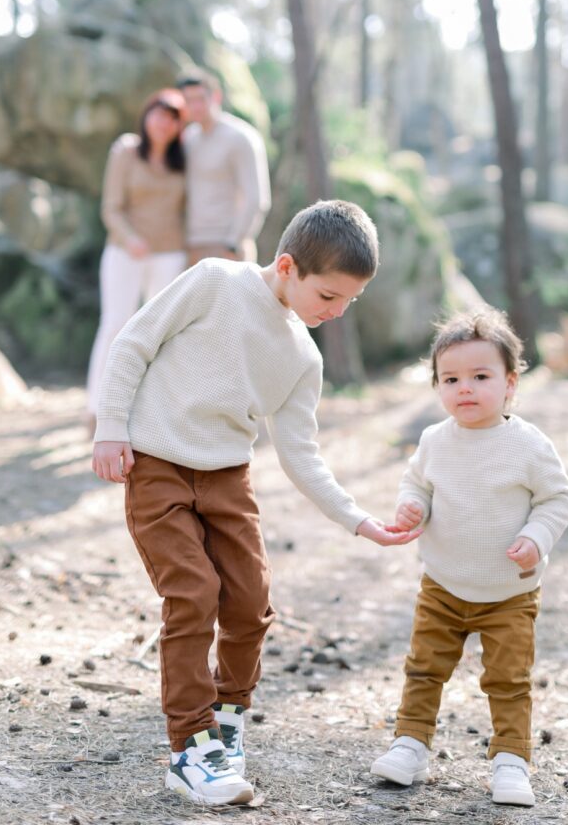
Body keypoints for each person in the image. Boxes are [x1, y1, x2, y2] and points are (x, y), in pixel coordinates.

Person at [91, 199, 419, 807]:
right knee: (192, 593)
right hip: (157, 465)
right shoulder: (215, 282)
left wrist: (357, 519)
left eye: (351, 301)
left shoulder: (303, 356)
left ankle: (226, 720)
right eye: (328, 296)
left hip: (226, 479)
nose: (337, 311)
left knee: (249, 601)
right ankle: (190, 749)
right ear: (288, 265)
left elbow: (301, 452)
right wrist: (111, 426)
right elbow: (134, 341)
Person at [370, 307, 568, 808]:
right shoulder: (434, 440)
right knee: (424, 668)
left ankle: (511, 759)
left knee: (507, 679)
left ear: (509, 383)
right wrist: (413, 505)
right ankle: (411, 744)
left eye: (480, 377)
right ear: (437, 385)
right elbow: (416, 483)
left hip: (509, 591)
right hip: (442, 583)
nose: (465, 388)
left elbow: (557, 498)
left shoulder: (527, 444)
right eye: (451, 378)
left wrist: (536, 536)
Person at [86, 89, 188, 425]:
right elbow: (110, 207)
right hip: (124, 252)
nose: (163, 123)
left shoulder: (183, 160)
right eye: (158, 114)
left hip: (169, 255)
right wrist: (131, 239)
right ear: (146, 116)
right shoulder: (126, 151)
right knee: (115, 325)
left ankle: (146, 412)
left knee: (158, 333)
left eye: (172, 118)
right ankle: (97, 409)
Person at [176, 70, 271, 266]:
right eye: (188, 100)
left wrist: (233, 243)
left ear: (216, 96)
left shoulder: (240, 137)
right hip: (192, 244)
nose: (195, 106)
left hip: (226, 245)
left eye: (200, 99)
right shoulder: (189, 138)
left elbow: (256, 199)